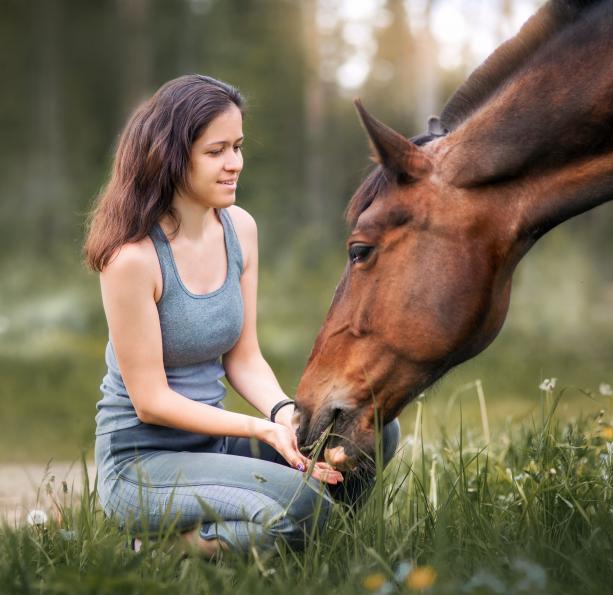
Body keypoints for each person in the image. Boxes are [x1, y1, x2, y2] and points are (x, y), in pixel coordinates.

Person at [83, 74, 400, 557]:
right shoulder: (132, 260)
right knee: (304, 505)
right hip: (143, 463)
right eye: (216, 152)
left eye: (238, 147)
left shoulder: (240, 230)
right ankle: (154, 549)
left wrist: (285, 416)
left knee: (372, 430)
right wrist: (258, 428)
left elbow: (244, 357)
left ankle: (306, 535)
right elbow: (150, 402)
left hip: (214, 448)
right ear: (170, 155)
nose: (234, 164)